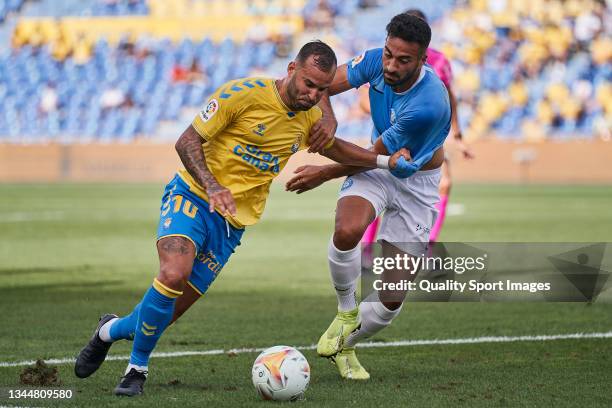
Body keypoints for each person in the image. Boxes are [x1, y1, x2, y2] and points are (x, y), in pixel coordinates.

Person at [73, 41, 411, 396]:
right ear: (292, 69)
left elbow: (338, 149)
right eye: (308, 84)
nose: (313, 95)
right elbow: (186, 141)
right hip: (192, 195)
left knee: (164, 314)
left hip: (232, 222)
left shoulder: (309, 118)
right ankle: (136, 369)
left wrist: (387, 162)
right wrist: (213, 186)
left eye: (323, 90)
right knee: (173, 273)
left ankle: (107, 331)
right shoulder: (243, 94)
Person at [285, 14, 451, 380]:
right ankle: (346, 312)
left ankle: (346, 343)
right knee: (347, 230)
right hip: (380, 166)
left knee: (391, 299)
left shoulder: (427, 106)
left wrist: (323, 174)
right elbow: (324, 85)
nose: (390, 65)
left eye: (403, 60)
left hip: (415, 184)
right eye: (389, 53)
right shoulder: (376, 60)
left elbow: (369, 156)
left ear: (423, 60)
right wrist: (328, 119)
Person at [360, 9, 474, 246]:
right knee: (380, 184)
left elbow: (449, 98)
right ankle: (368, 244)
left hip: (427, 133)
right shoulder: (384, 60)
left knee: (444, 182)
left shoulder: (440, 61)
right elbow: (364, 97)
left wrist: (458, 133)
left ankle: (429, 242)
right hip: (390, 132)